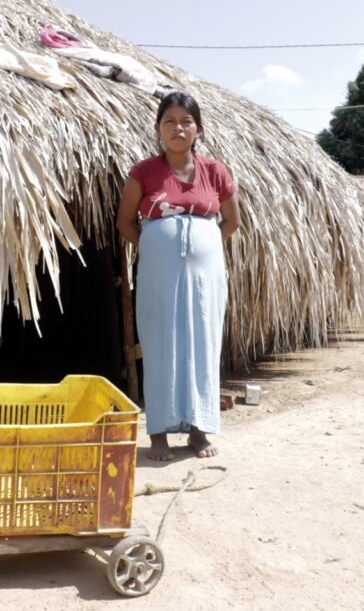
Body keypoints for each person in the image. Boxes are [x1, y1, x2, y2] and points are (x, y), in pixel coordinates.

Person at [116, 92, 239, 461]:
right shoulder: (143, 172)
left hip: (206, 278)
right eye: (169, 121)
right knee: (160, 344)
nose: (178, 128)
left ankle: (199, 432)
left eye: (186, 121)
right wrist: (156, 247)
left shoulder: (215, 171)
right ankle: (158, 435)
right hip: (158, 275)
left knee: (203, 344)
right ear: (158, 129)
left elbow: (231, 222)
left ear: (198, 129)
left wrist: (202, 247)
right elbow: (125, 222)